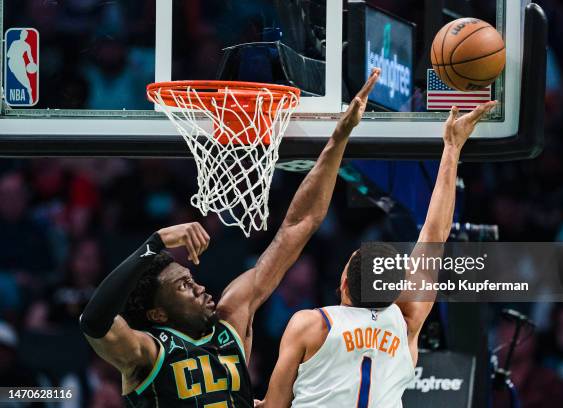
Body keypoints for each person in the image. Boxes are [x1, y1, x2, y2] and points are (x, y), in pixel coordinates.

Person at [79, 68, 381, 407]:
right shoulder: (147, 351)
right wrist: (156, 242)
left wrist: (339, 137)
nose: (199, 287)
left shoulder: (231, 319)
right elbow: (93, 322)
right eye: (183, 287)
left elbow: (299, 225)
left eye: (191, 280)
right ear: (158, 314)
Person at [256, 101, 497, 408]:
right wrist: (452, 146)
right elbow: (435, 235)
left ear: (344, 283)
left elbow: (275, 406)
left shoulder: (309, 324)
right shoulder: (407, 319)